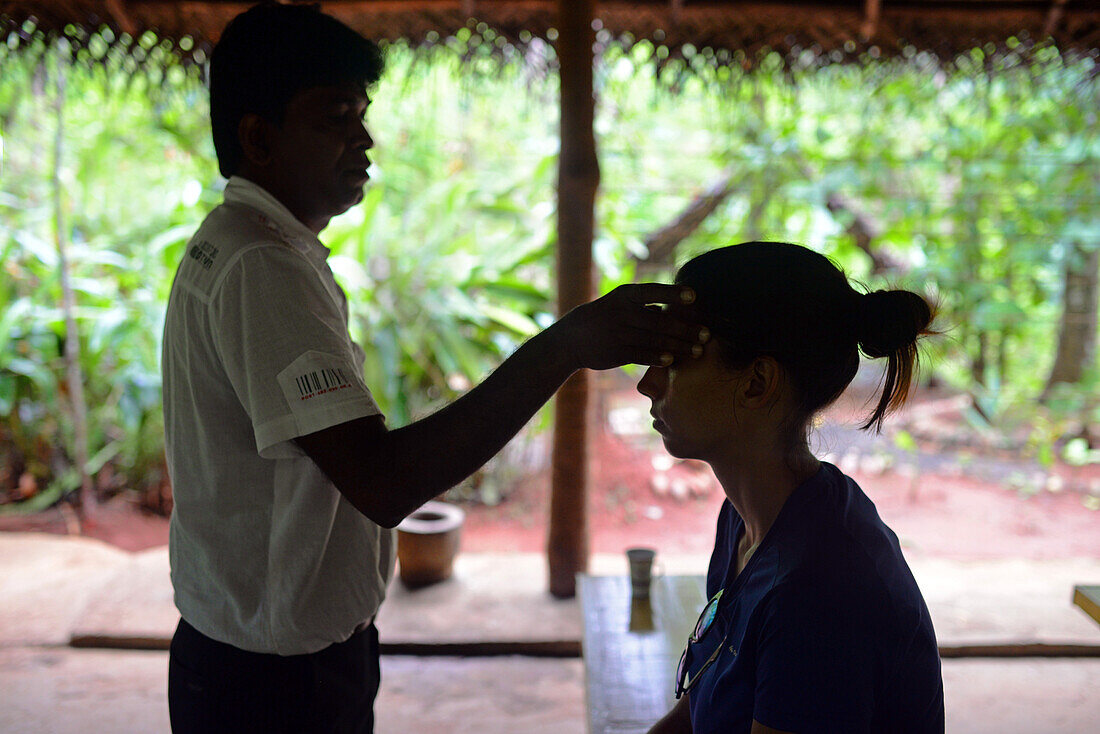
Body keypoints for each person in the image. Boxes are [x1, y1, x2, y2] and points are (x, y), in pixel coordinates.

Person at [161, 4, 708, 733]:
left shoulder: (243, 243)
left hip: (251, 653)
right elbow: (383, 481)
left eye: (363, 115)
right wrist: (565, 347)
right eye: (336, 117)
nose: (364, 140)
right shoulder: (262, 265)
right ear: (259, 137)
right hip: (274, 685)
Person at [640, 242, 944, 734]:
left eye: (674, 359)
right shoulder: (746, 518)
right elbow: (696, 712)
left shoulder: (820, 593)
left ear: (757, 383)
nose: (648, 384)